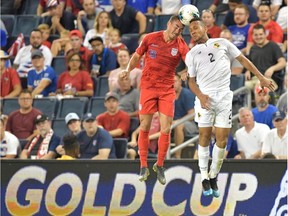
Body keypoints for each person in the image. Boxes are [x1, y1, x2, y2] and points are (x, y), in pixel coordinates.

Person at [185, 18, 276, 197]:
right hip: (205, 98)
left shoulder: (222, 43)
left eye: (196, 28)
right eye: (191, 30)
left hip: (224, 97)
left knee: (223, 138)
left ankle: (213, 175)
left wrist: (261, 77)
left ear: (205, 28)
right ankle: (204, 176)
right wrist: (201, 96)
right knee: (204, 134)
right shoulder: (192, 54)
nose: (193, 32)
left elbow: (243, 60)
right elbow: (191, 82)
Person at [121, 15, 189, 185]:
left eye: (181, 29)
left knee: (166, 128)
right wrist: (128, 70)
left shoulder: (181, 44)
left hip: (166, 90)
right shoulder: (150, 38)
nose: (177, 31)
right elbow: (136, 56)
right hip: (148, 88)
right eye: (176, 26)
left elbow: (191, 61)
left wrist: (186, 71)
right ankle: (143, 164)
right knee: (144, 126)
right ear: (168, 23)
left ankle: (160, 165)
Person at [245, 24, 286, 92]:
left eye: (260, 34)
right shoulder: (253, 48)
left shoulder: (273, 46)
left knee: (259, 86)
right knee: (245, 87)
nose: (258, 37)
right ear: (252, 36)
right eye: (256, 35)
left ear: (265, 34)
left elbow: (283, 62)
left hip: (270, 79)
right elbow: (250, 64)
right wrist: (248, 71)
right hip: (254, 79)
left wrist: (272, 68)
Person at [173, 74, 198, 159]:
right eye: (171, 82)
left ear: (180, 82)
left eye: (175, 81)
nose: (173, 84)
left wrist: (178, 121)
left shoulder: (187, 94)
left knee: (178, 125)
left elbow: (191, 115)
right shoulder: (169, 95)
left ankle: (177, 156)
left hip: (190, 124)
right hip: (172, 122)